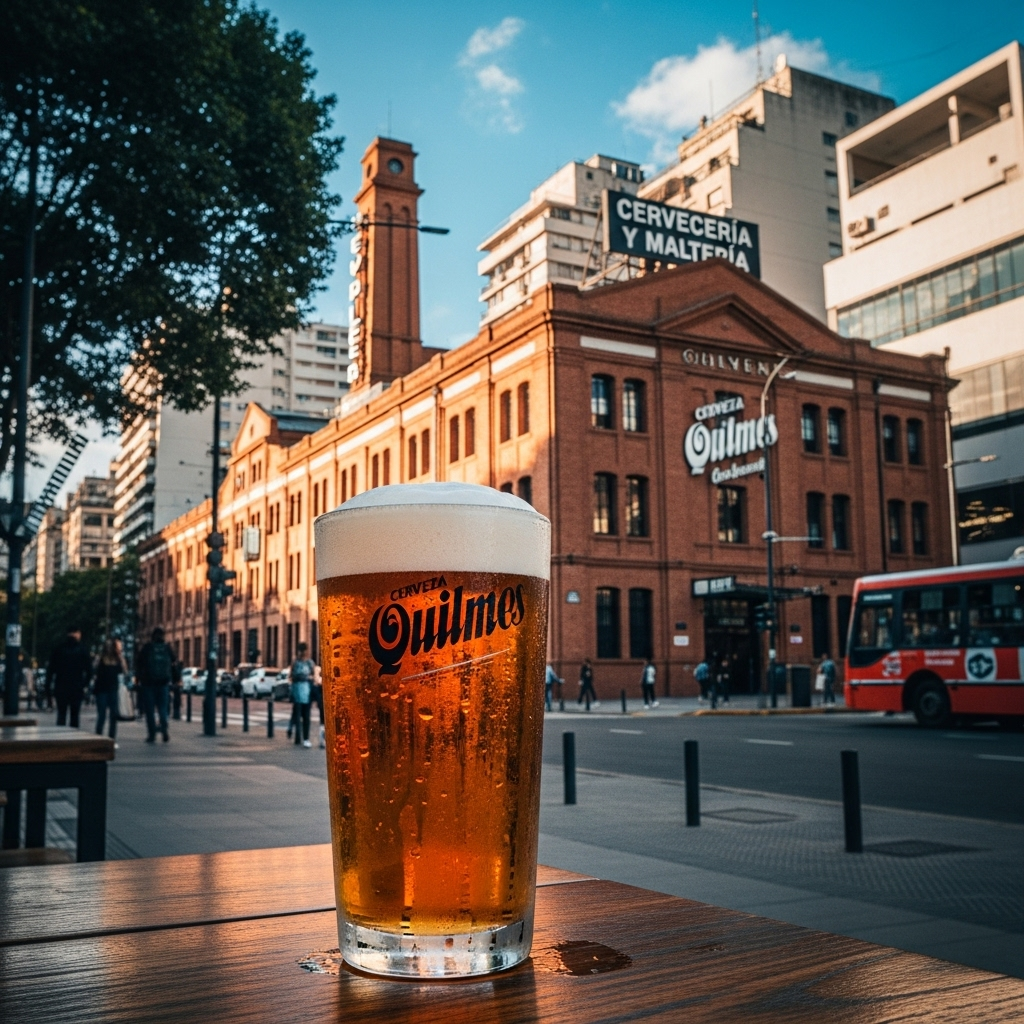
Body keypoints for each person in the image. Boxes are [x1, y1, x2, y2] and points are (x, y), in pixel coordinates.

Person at [137, 627, 175, 742]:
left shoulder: (147, 648)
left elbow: (139, 663)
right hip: (163, 683)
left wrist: (138, 679)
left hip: (148, 683)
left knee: (150, 710)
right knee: (163, 708)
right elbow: (174, 662)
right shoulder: (167, 648)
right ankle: (164, 727)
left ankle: (152, 734)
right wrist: (175, 679)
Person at [48, 628, 92, 727]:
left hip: (61, 686)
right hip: (76, 687)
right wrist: (84, 685)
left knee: (61, 714)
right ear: (77, 634)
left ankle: (60, 738)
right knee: (75, 716)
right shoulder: (82, 649)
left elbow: (51, 670)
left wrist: (49, 690)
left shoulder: (59, 649)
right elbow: (89, 671)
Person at [94, 638, 127, 747]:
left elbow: (125, 671)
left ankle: (109, 739)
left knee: (111, 716)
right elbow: (94, 669)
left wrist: (120, 655)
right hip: (104, 690)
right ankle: (100, 738)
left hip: (110, 690)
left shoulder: (117, 659)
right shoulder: (101, 659)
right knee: (103, 716)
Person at [290, 642, 315, 748]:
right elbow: (292, 676)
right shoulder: (295, 663)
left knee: (306, 717)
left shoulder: (309, 663)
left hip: (307, 694)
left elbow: (313, 676)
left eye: (304, 650)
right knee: (297, 715)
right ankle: (297, 737)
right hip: (297, 693)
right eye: (301, 651)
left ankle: (305, 738)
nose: (302, 653)